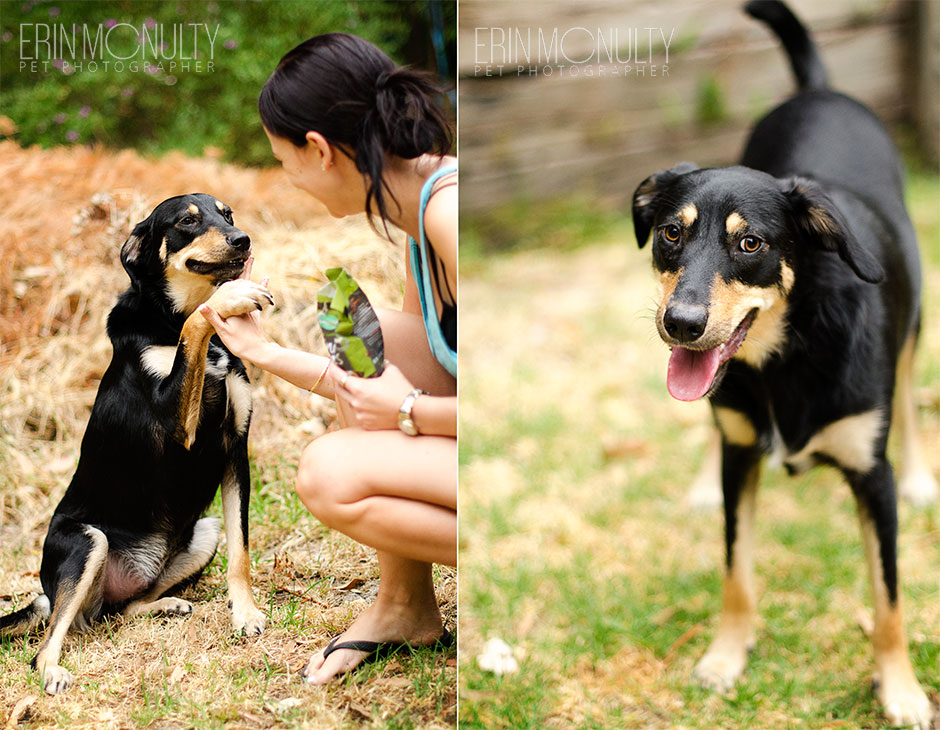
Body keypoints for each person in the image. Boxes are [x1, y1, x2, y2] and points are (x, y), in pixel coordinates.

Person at [198, 33, 457, 685]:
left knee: (328, 474)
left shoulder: (451, 216)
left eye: (284, 161)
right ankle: (405, 607)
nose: (288, 179)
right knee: (381, 339)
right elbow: (389, 379)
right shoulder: (418, 209)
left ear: (319, 149)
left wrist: (408, 411)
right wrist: (266, 350)